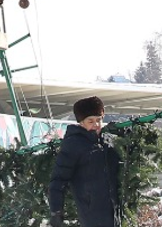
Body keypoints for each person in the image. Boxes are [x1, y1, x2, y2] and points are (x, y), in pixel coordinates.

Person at [48, 96, 120, 227]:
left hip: (114, 212)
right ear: (81, 122)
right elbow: (58, 179)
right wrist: (56, 211)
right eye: (90, 121)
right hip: (92, 214)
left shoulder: (106, 142)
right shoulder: (73, 144)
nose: (96, 125)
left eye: (99, 120)